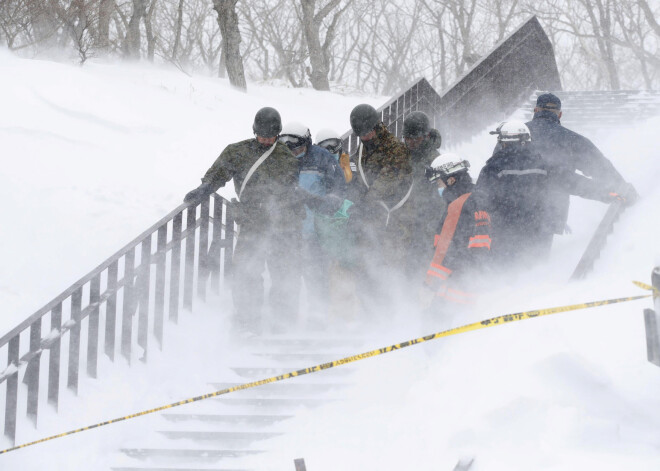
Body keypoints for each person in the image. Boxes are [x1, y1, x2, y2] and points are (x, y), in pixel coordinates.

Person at [183, 107, 303, 335]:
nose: (266, 141)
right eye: (262, 136)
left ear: (278, 134)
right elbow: (219, 173)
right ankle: (247, 320)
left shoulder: (286, 158)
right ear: (254, 131)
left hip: (282, 224)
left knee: (283, 272)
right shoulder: (237, 151)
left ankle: (283, 322)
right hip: (252, 223)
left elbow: (288, 192)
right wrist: (205, 188)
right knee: (247, 272)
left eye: (270, 137)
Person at [525, 93, 637, 243]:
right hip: (548, 215)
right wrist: (622, 188)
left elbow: (491, 171)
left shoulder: (512, 137)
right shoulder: (570, 139)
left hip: (504, 210)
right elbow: (599, 167)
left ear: (535, 110)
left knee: (505, 263)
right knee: (534, 262)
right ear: (560, 114)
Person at [278, 122, 346, 322]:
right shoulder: (277, 159)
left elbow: (338, 189)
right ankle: (284, 321)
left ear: (307, 143)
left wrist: (326, 204)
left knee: (316, 276)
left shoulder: (322, 158)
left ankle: (318, 319)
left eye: (298, 148)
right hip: (286, 231)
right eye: (289, 149)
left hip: (315, 231)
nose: (294, 153)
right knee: (286, 278)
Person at [348, 104, 413, 278]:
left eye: (368, 132)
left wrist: (365, 202)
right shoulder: (362, 149)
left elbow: (388, 181)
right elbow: (359, 177)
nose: (365, 137)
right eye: (361, 134)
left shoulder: (395, 148)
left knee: (392, 269)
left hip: (394, 218)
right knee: (366, 267)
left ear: (377, 126)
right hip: (371, 220)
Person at [475, 121, 551, 268]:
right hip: (534, 227)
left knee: (504, 270)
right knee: (530, 269)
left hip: (503, 230)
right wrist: (602, 192)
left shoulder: (493, 167)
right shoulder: (542, 165)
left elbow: (480, 198)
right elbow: (568, 182)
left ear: (504, 142)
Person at [420, 154, 492, 309]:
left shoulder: (457, 206)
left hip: (452, 291)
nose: (439, 188)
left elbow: (445, 249)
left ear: (451, 180)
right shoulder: (477, 199)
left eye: (439, 183)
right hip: (471, 285)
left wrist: (429, 286)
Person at [401, 111, 444, 281]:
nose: (411, 143)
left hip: (427, 218)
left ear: (426, 136)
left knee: (422, 259)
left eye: (416, 139)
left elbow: (442, 194)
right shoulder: (402, 154)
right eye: (408, 139)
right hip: (405, 216)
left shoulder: (435, 160)